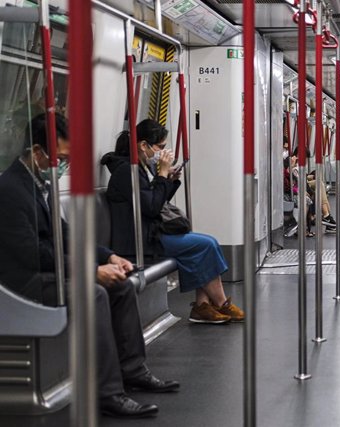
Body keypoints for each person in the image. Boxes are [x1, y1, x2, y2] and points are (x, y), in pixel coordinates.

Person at [0, 114, 178, 418]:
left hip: (47, 271)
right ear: (37, 151)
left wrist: (107, 256)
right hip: (21, 282)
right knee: (94, 292)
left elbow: (67, 237)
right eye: (61, 158)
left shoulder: (37, 186)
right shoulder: (10, 190)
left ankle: (133, 371)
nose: (64, 165)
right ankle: (107, 394)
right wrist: (89, 272)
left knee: (120, 284)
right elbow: (32, 254)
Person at [103, 119, 244, 325]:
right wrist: (161, 175)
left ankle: (203, 306)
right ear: (144, 145)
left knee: (209, 242)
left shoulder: (138, 168)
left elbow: (156, 202)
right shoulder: (127, 171)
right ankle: (218, 304)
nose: (162, 151)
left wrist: (167, 180)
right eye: (160, 146)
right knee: (204, 245)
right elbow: (151, 208)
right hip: (140, 241)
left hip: (150, 232)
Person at [290, 148, 340, 234]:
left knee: (320, 183)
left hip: (301, 184)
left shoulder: (298, 166)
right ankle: (328, 218)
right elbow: (296, 179)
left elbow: (301, 177)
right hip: (297, 187)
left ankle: (328, 217)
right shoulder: (293, 166)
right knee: (319, 184)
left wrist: (309, 176)